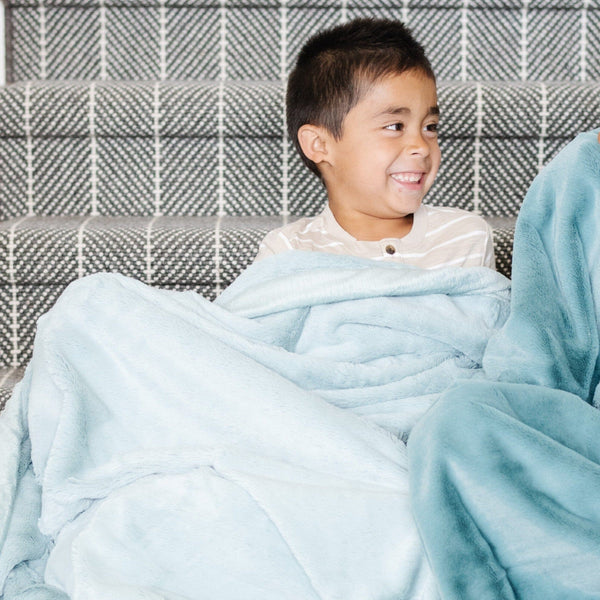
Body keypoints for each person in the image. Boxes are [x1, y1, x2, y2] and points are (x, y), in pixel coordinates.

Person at [255, 18, 495, 270]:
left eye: (430, 127)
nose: (422, 147)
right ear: (319, 144)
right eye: (395, 126)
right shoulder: (289, 250)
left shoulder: (465, 236)